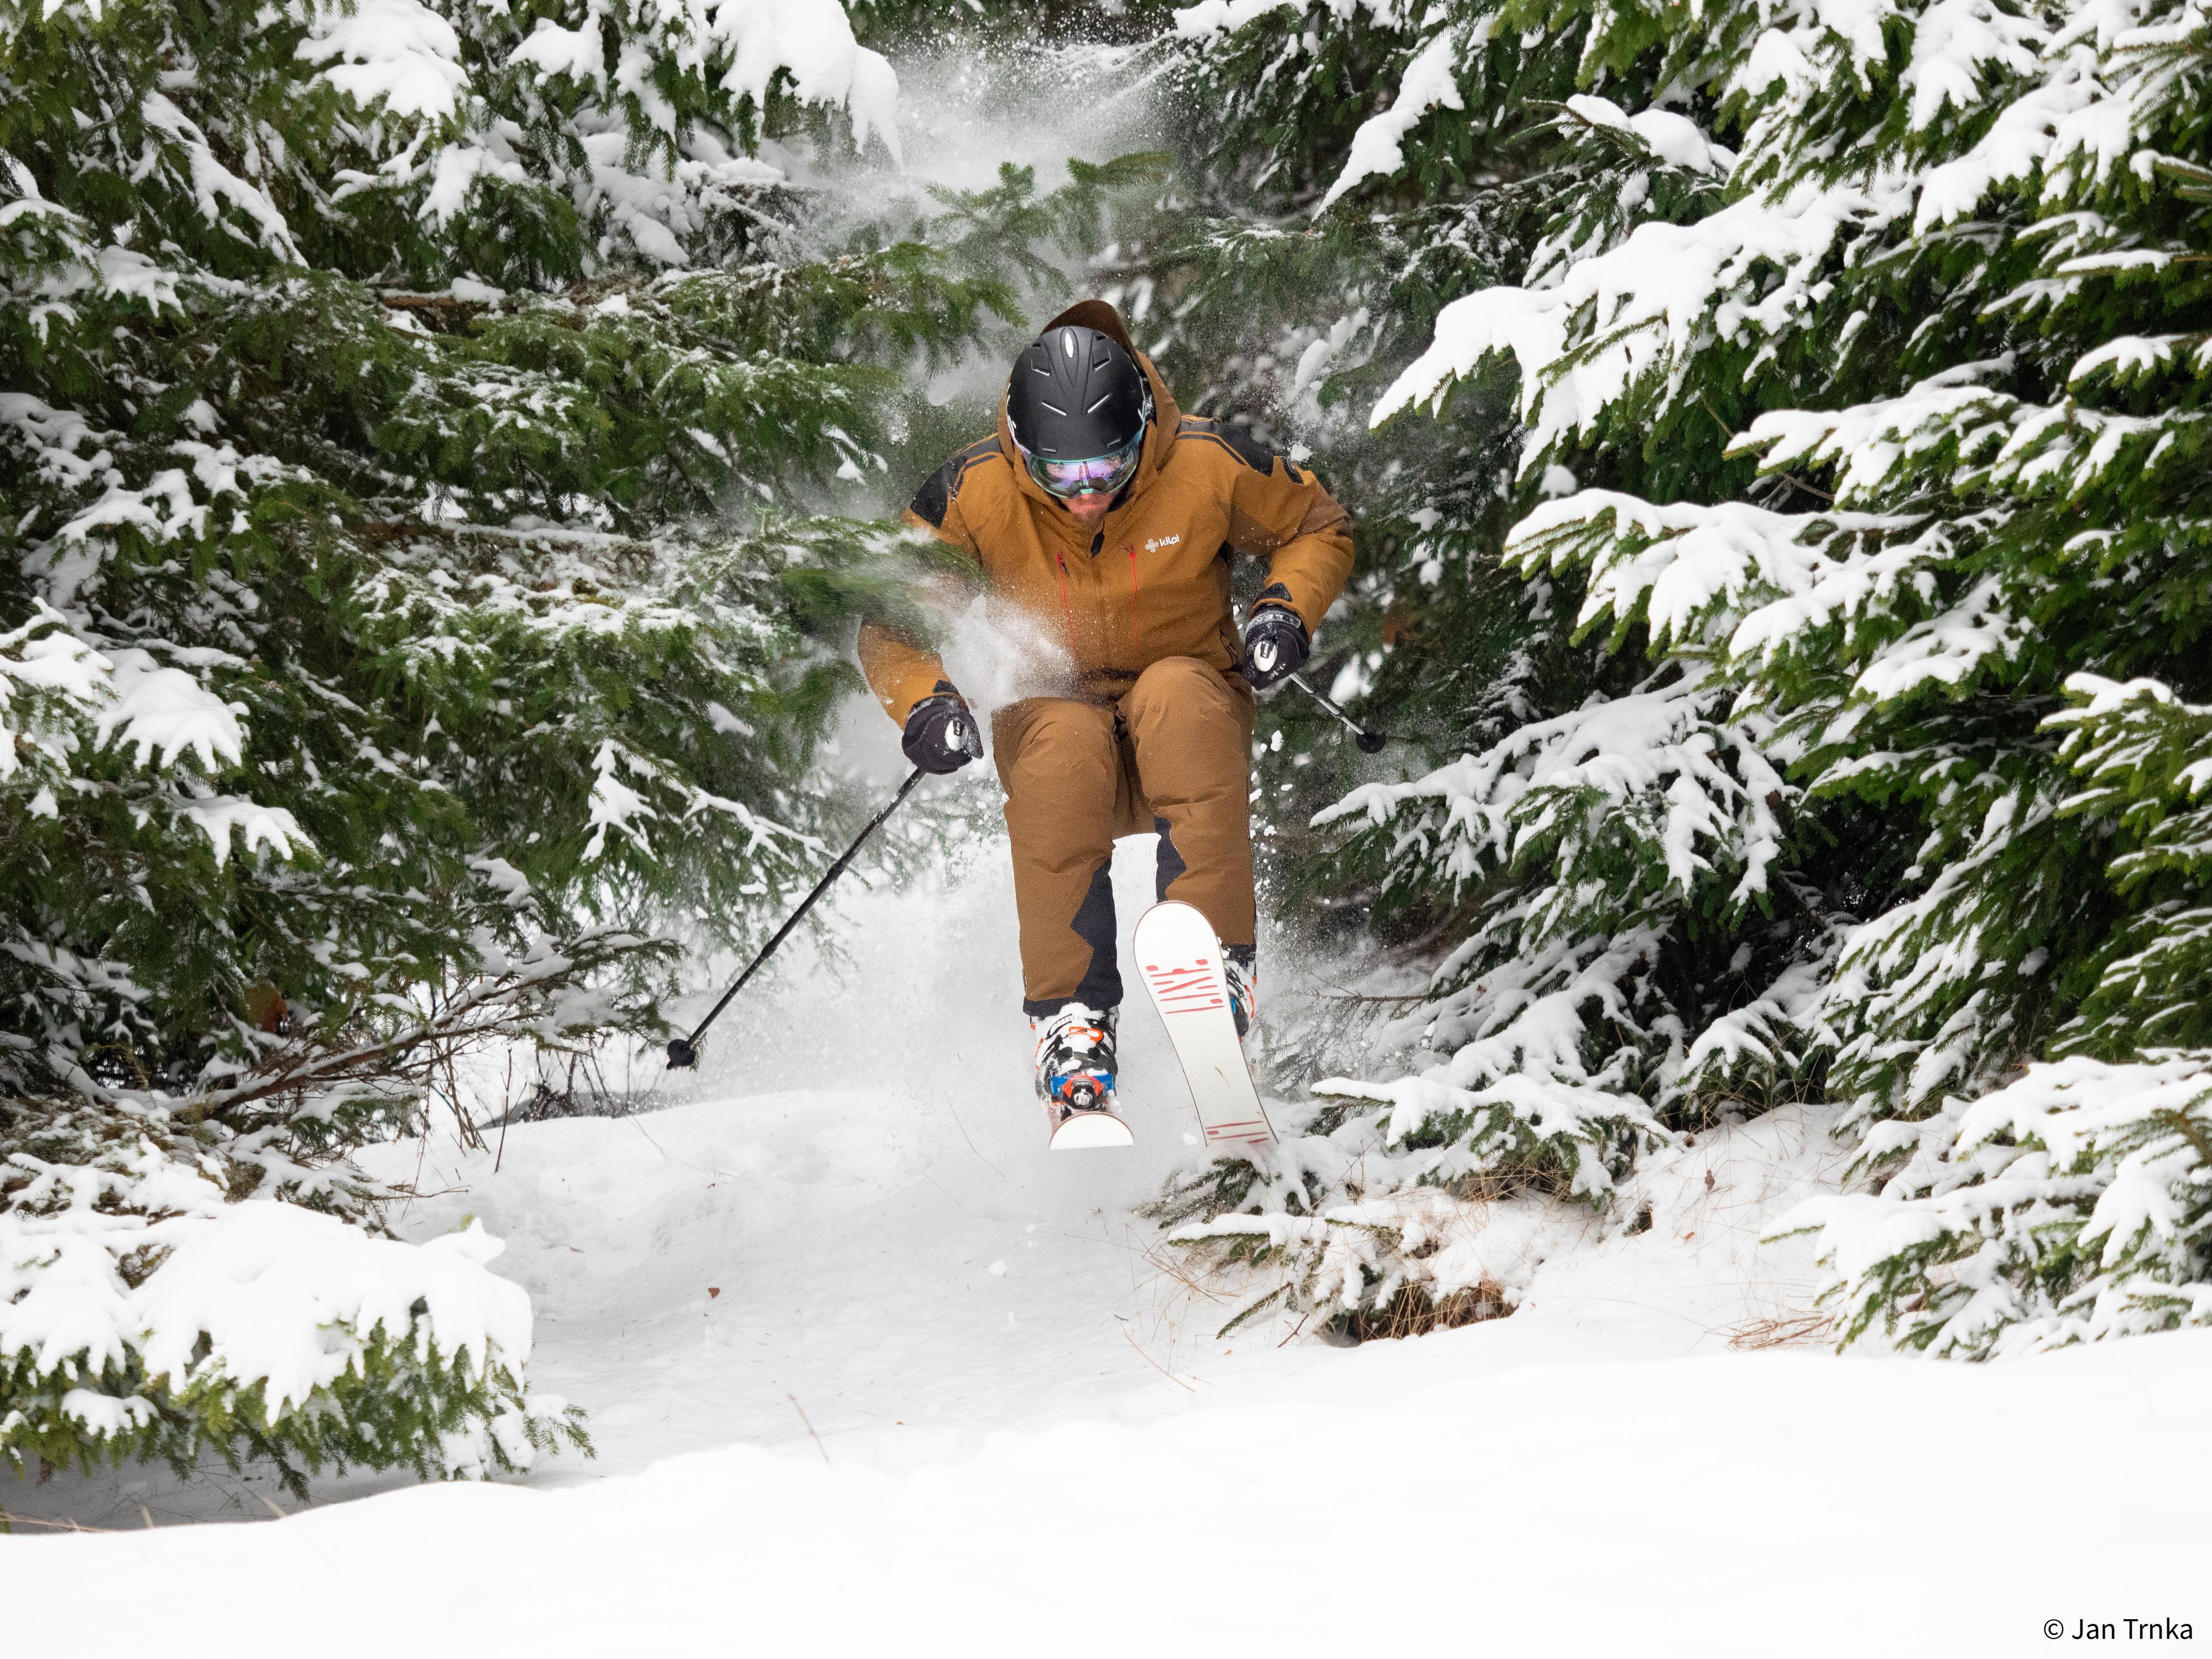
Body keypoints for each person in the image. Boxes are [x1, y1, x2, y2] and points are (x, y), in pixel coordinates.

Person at [858, 299, 1354, 1133]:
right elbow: (888, 619)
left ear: (1142, 438)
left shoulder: (1207, 463)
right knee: (1058, 743)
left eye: (1108, 471)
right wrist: (926, 704)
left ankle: (1215, 971)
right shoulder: (971, 490)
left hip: (1186, 704)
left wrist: (1284, 612)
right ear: (1022, 449)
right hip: (1059, 717)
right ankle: (1073, 1025)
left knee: (1177, 696)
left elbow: (1317, 525)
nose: (1087, 497)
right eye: (1063, 477)